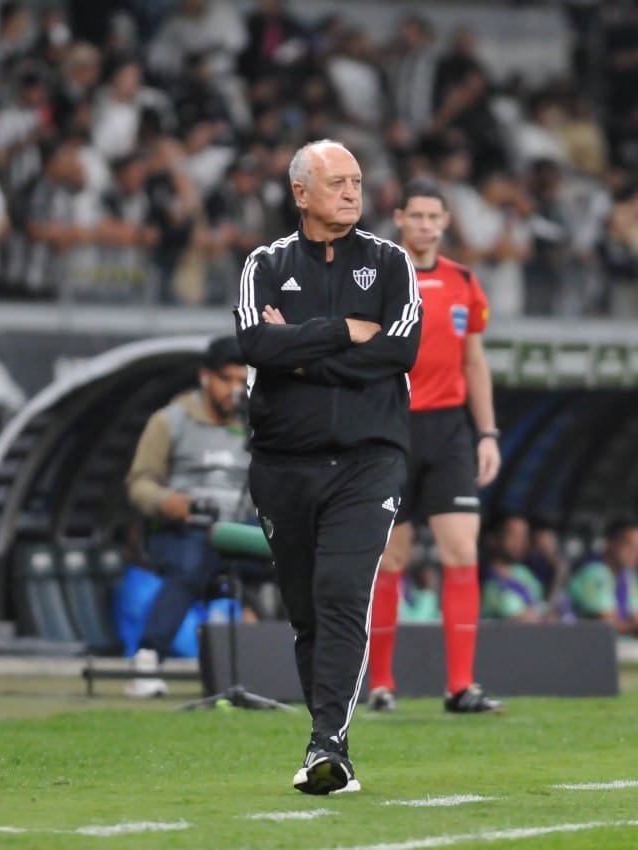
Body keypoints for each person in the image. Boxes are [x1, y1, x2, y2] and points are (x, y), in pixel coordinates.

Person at [233, 139, 421, 795]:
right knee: (308, 612)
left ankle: (328, 747)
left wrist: (300, 348)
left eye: (357, 180)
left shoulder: (392, 263)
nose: (352, 191)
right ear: (301, 193)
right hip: (282, 465)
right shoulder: (264, 263)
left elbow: (399, 352)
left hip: (367, 463)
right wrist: (345, 332)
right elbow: (255, 342)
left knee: (343, 593)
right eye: (337, 181)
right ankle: (326, 736)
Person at [367, 178, 503, 716]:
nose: (425, 225)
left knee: (462, 551)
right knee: (391, 557)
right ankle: (381, 684)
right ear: (399, 218)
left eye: (434, 217)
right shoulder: (376, 278)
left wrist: (488, 433)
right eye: (416, 215)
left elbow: (475, 363)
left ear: (445, 223)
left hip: (449, 432)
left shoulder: (465, 282)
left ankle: (460, 687)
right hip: (393, 427)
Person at [124, 336, 251, 698]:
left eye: (243, 382)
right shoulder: (169, 421)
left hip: (237, 530)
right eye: (227, 380)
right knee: (196, 558)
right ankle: (147, 659)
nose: (235, 390)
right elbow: (139, 482)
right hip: (179, 530)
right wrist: (168, 501)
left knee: (297, 556)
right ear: (205, 377)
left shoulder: (256, 425)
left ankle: (303, 667)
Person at [568, 518, 638, 638]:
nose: (636, 552)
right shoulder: (594, 572)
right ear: (611, 543)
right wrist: (637, 626)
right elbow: (608, 625)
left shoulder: (628, 575)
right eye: (630, 546)